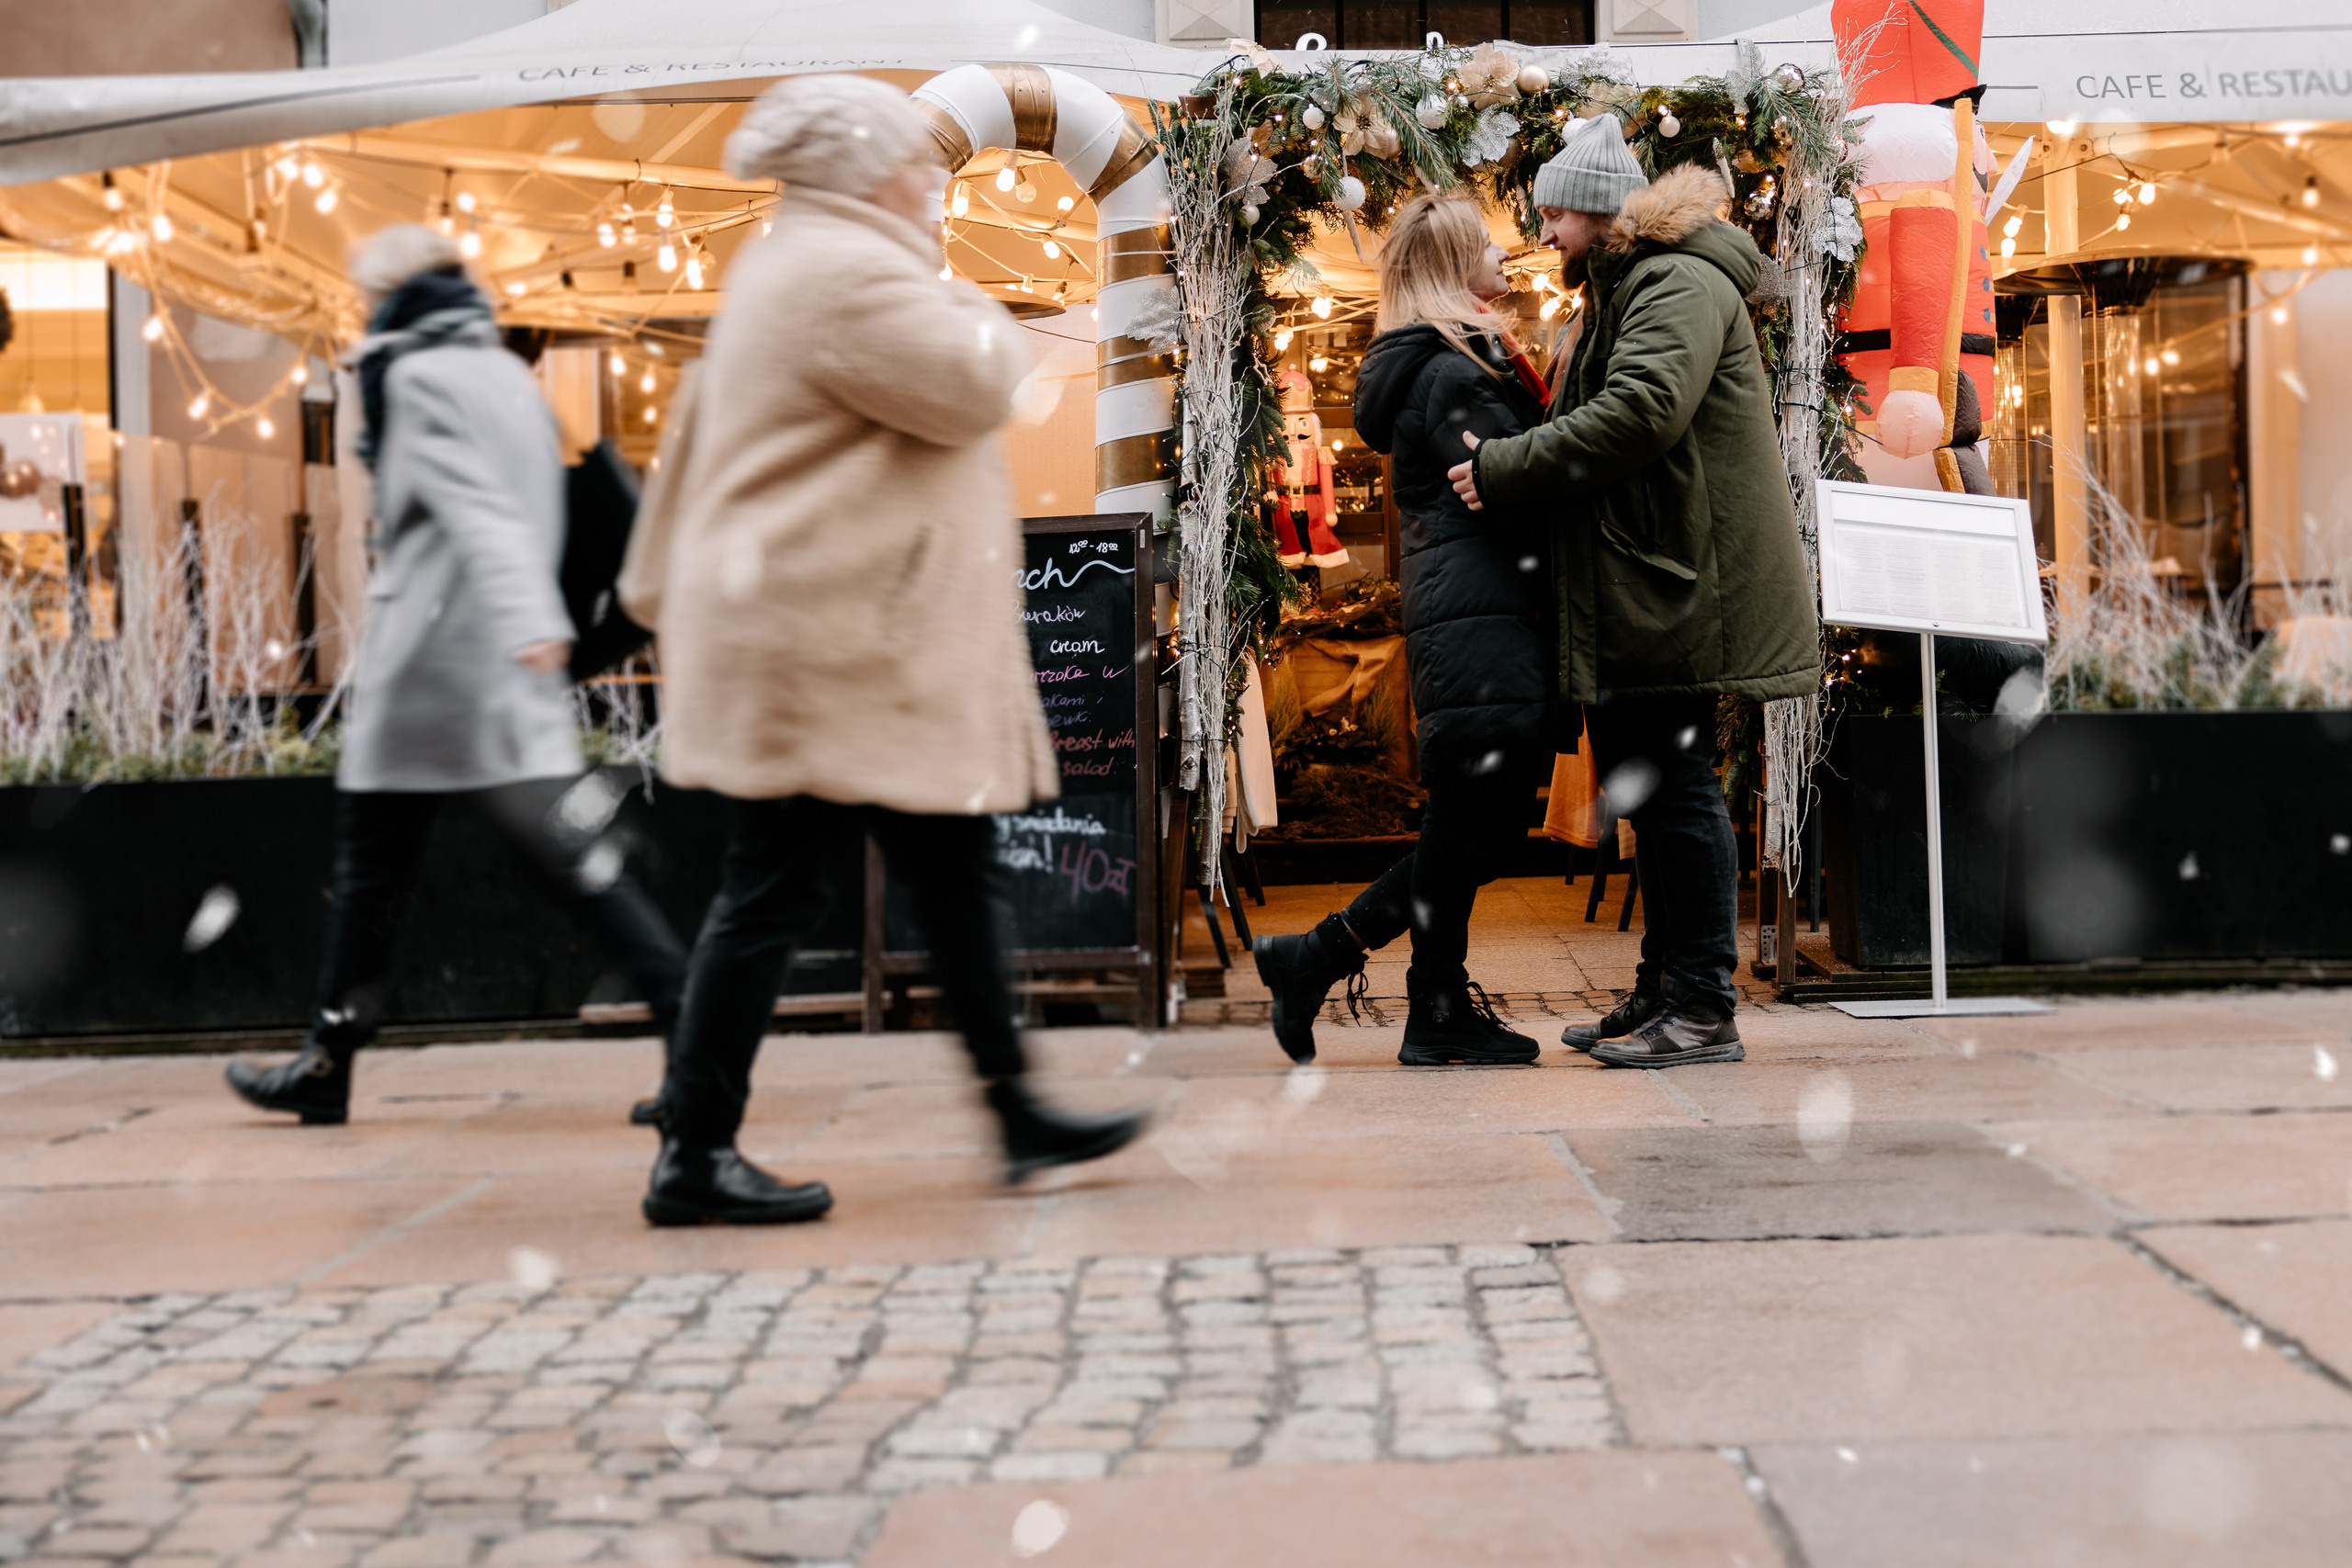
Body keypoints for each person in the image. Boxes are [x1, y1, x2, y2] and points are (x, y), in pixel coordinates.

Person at [618, 73, 1148, 1226]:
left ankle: (1012, 1113)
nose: (930, 177)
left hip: (845, 642)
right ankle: (694, 1147)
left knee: (942, 880)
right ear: (865, 167)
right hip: (830, 649)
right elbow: (973, 378)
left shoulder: (807, 257)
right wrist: (979, 306)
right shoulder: (841, 269)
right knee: (775, 890)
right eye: (913, 159)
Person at [227, 227, 687, 1125]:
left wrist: (529, 621)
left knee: (386, 877)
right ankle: (689, 1041)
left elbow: (480, 514)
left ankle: (328, 1062)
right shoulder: (509, 376)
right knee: (565, 866)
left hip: (442, 672)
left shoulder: (412, 375)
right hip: (495, 677)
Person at [1447, 125, 1821, 1067]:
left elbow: (1643, 412)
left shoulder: (1676, 282)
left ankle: (1701, 1008)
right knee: (1653, 791)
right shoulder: (1635, 285)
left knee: (1676, 797)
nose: (1544, 229)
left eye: (1556, 210)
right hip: (1651, 576)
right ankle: (1666, 989)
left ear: (1603, 210)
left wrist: (1505, 468)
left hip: (1676, 581)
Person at [1251, 196, 1555, 1068]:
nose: (1505, 259)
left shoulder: (1435, 365)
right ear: (1454, 267)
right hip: (1486, 619)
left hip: (1470, 616)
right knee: (1475, 832)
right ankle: (1334, 964)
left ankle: (1419, 1001)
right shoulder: (1455, 372)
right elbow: (1514, 489)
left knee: (1470, 832)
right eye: (1487, 249)